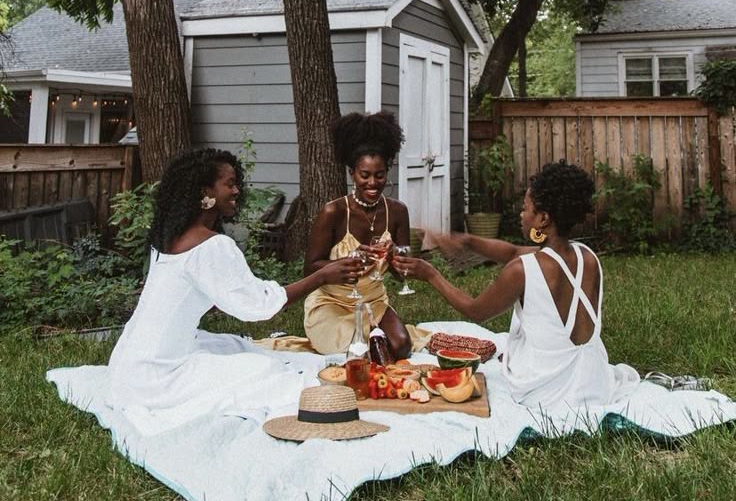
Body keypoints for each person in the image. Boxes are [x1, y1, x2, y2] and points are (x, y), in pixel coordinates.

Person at [108, 148, 360, 428]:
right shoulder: (211, 245)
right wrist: (322, 276)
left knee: (232, 345)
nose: (237, 190)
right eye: (229, 184)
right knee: (266, 370)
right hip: (158, 377)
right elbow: (259, 306)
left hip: (128, 365)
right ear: (206, 191)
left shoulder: (169, 237)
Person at [393, 160, 640, 409]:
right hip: (594, 381)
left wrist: (431, 275)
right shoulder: (588, 256)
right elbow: (512, 251)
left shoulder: (523, 270)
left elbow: (475, 310)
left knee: (505, 349)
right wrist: (467, 241)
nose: (521, 215)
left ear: (543, 218)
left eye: (526, 209)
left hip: (551, 389)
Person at [303, 111, 430, 359]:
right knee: (366, 351)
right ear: (352, 173)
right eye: (365, 175)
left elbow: (400, 273)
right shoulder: (333, 212)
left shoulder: (397, 211)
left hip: (374, 303)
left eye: (379, 175)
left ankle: (375, 332)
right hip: (333, 304)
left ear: (387, 172)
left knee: (401, 346)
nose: (372, 183)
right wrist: (347, 261)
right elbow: (310, 269)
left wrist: (396, 258)